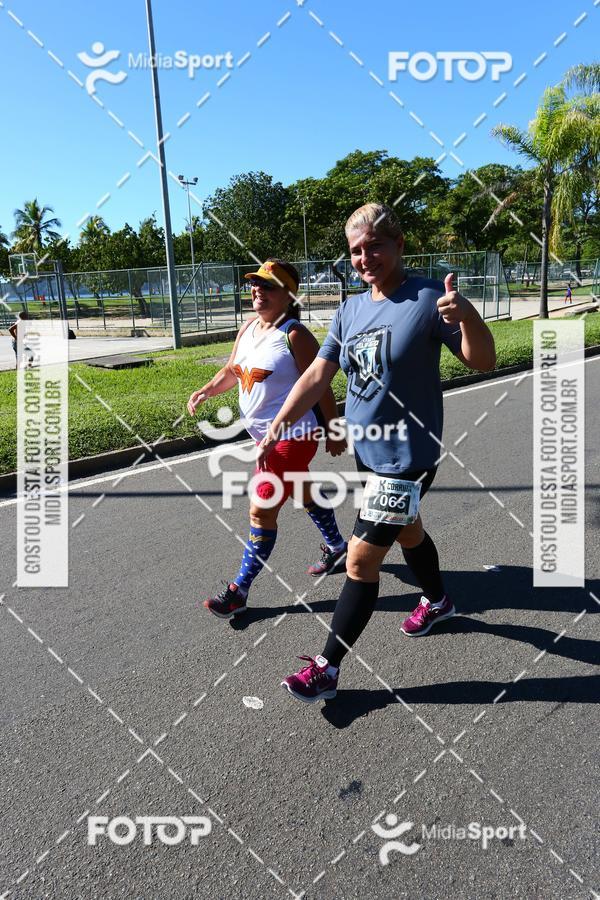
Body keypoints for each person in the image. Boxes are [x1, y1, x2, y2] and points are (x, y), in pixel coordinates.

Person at [256, 204, 496, 703]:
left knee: (361, 560)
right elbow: (320, 374)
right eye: (356, 251)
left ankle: (327, 667)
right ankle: (438, 599)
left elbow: (483, 360)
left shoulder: (430, 298)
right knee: (409, 531)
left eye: (375, 247)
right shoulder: (350, 310)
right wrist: (280, 422)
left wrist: (467, 314)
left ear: (398, 244)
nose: (365, 258)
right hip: (369, 455)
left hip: (409, 457)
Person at [187, 259, 348, 619]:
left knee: (261, 509)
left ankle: (238, 591)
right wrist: (206, 391)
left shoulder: (295, 335)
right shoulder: (248, 328)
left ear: (288, 295)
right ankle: (338, 546)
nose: (257, 290)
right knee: (302, 488)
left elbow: (319, 383)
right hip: (262, 436)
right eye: (255, 284)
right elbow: (232, 371)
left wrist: (334, 429)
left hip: (293, 434)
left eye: (268, 285)